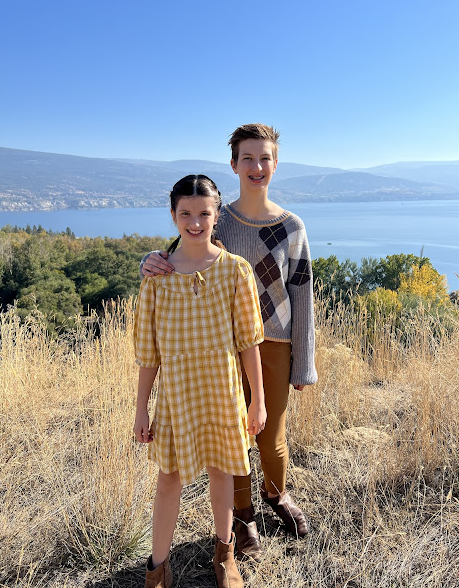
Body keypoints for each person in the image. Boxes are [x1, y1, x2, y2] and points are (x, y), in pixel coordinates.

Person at [141, 124, 317, 563]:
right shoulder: (220, 218)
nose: (257, 167)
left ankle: (276, 494)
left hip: (273, 343)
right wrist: (150, 260)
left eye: (265, 158)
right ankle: (244, 516)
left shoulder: (292, 226)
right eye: (248, 158)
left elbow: (302, 294)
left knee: (270, 437)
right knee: (233, 437)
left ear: (275, 163)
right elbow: (186, 253)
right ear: (234, 164)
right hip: (222, 347)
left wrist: (304, 363)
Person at [134, 174, 266, 588]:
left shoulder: (235, 271)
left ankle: (225, 556)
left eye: (204, 214)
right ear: (173, 215)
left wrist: (258, 400)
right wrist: (141, 409)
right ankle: (158, 568)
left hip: (222, 392)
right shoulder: (157, 277)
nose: (195, 222)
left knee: (222, 471)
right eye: (186, 214)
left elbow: (248, 342)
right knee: (169, 478)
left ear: (216, 215)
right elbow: (148, 353)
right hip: (176, 396)